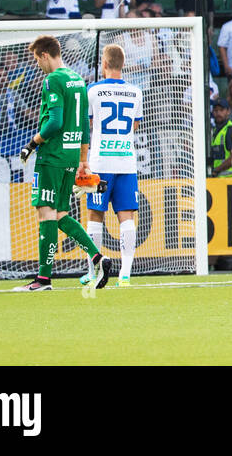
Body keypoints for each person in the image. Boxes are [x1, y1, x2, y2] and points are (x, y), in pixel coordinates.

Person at [15, 35, 108, 292]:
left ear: (45, 55)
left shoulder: (52, 80)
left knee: (45, 213)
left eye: (37, 60)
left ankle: (43, 279)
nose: (38, 66)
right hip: (70, 157)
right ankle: (98, 257)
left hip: (52, 156)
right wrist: (83, 161)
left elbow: (54, 122)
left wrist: (32, 143)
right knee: (61, 214)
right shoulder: (78, 80)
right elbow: (83, 126)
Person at [80, 45, 142, 287]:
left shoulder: (93, 90)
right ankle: (125, 274)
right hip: (126, 161)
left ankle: (93, 271)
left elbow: (88, 124)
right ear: (122, 64)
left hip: (100, 162)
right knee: (127, 217)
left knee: (96, 216)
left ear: (104, 64)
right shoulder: (135, 92)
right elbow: (134, 125)